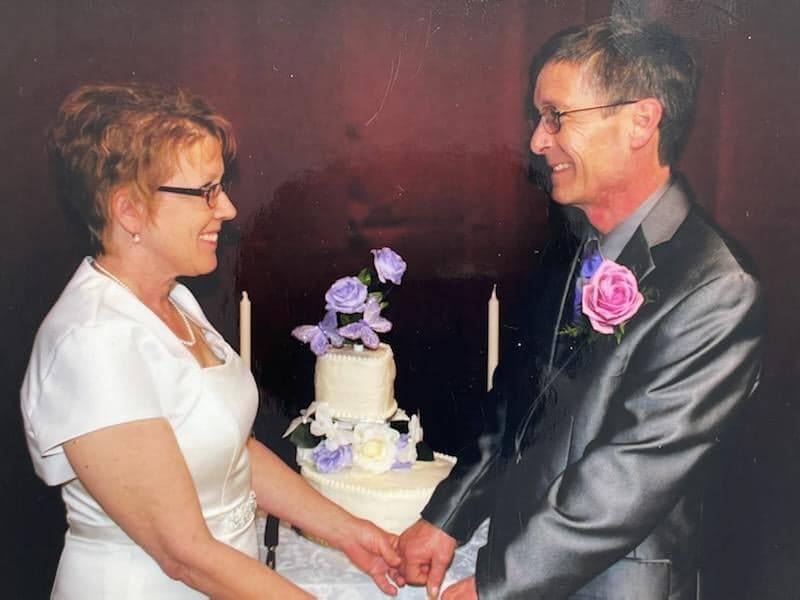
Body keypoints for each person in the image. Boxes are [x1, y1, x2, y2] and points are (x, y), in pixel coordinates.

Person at [397, 18, 764, 600]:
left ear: (641, 121)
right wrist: (450, 516)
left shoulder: (717, 287)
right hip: (519, 560)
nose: (538, 142)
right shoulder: (571, 242)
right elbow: (515, 402)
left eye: (556, 117)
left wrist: (497, 585)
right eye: (539, 119)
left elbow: (627, 479)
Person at [20, 83, 401, 599]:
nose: (226, 208)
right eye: (206, 191)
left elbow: (226, 450)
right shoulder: (95, 342)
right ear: (129, 211)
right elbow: (184, 554)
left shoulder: (174, 300)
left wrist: (349, 532)